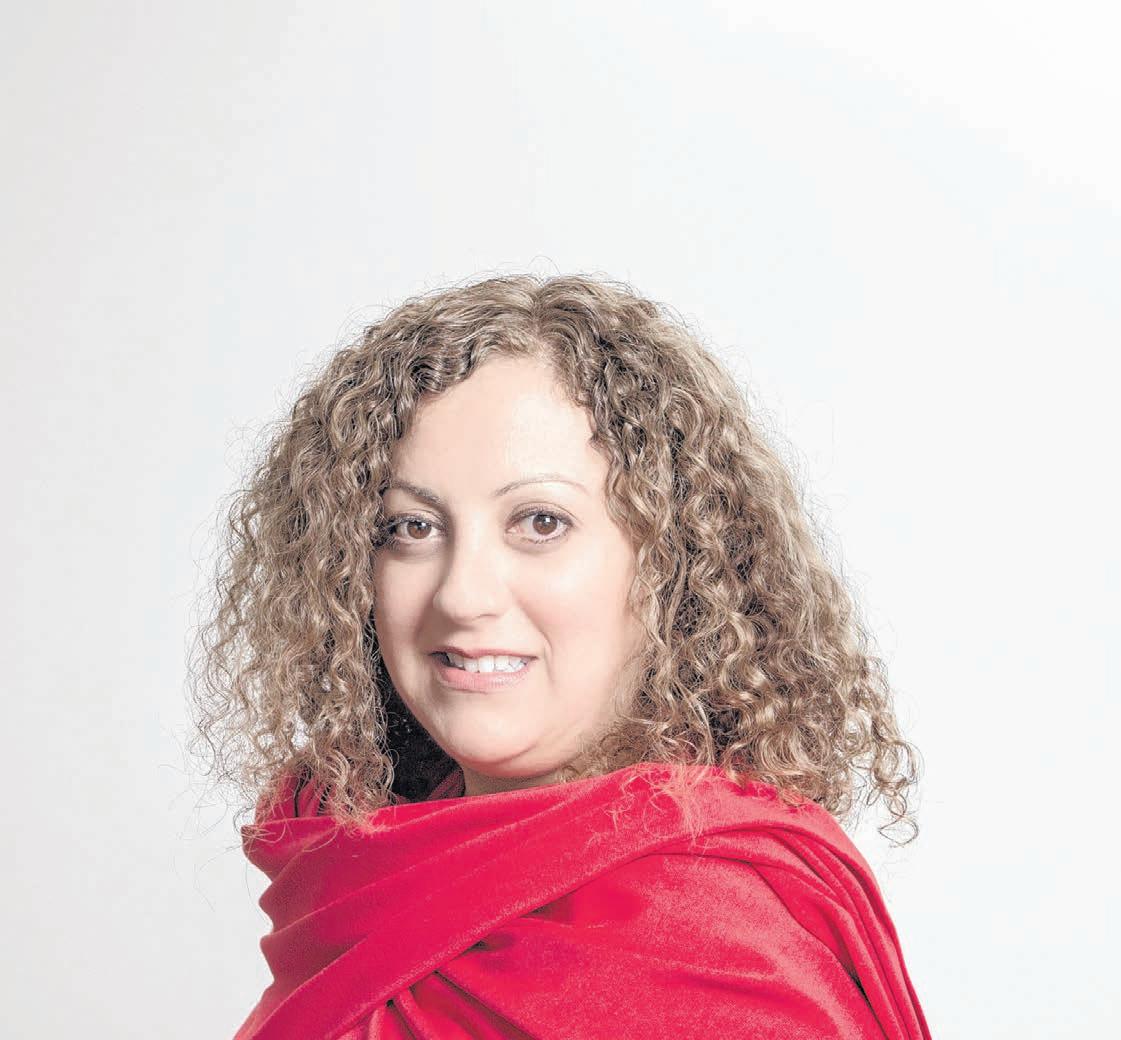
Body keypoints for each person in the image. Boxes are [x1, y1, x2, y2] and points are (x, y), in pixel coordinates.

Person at [189, 273, 931, 1039]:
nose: (462, 594)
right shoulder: (358, 875)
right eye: (411, 527)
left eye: (540, 522)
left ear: (671, 564)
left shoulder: (720, 961)